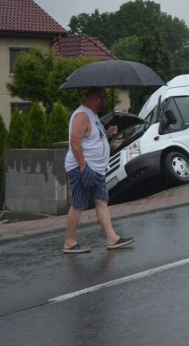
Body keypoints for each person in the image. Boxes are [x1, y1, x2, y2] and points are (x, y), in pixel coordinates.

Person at [63, 86, 134, 253]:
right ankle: (69, 242)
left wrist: (108, 133)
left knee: (101, 201)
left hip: (97, 168)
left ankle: (112, 238)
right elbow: (75, 142)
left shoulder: (93, 116)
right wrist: (82, 167)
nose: (106, 100)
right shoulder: (82, 115)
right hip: (82, 168)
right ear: (97, 98)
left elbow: (94, 139)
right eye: (104, 97)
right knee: (79, 204)